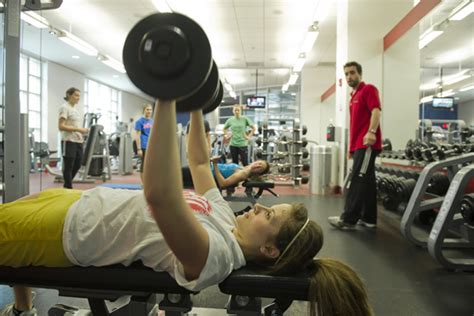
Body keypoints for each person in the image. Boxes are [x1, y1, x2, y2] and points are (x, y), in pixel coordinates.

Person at [0, 100, 373, 316]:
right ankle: (22, 311)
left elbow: (161, 194)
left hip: (69, 231)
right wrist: (196, 106)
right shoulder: (226, 220)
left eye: (269, 216)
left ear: (270, 249)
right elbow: (198, 163)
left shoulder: (217, 254)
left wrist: (166, 97)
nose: (258, 208)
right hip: (81, 203)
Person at [328, 61, 382, 230]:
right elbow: (355, 126)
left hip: (367, 144)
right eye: (347, 74)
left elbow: (376, 110)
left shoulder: (368, 89)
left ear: (360, 74)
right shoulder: (353, 96)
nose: (349, 76)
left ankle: (348, 219)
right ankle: (369, 218)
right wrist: (351, 149)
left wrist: (372, 131)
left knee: (358, 180)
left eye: (352, 73)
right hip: (359, 145)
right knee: (367, 181)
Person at [58, 87, 89, 189]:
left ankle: (67, 185)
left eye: (79, 96)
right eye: (76, 95)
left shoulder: (75, 110)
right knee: (69, 166)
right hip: (68, 141)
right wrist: (79, 129)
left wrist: (81, 131)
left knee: (78, 165)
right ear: (68, 95)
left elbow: (75, 127)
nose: (78, 98)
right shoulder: (64, 107)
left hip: (78, 141)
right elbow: (61, 126)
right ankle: (68, 187)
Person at [181, 158, 270, 189]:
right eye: (259, 163)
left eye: (260, 168)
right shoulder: (243, 168)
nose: (257, 166)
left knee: (175, 175)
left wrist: (215, 163)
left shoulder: (243, 173)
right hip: (204, 169)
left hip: (204, 175)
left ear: (258, 173)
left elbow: (223, 183)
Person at [134, 104, 153, 173]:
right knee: (144, 165)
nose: (149, 111)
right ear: (144, 110)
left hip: (151, 146)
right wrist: (139, 149)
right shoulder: (139, 122)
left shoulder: (152, 121)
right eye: (147, 109)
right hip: (144, 145)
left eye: (150, 110)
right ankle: (143, 183)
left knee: (151, 165)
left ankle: (149, 181)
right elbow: (137, 135)